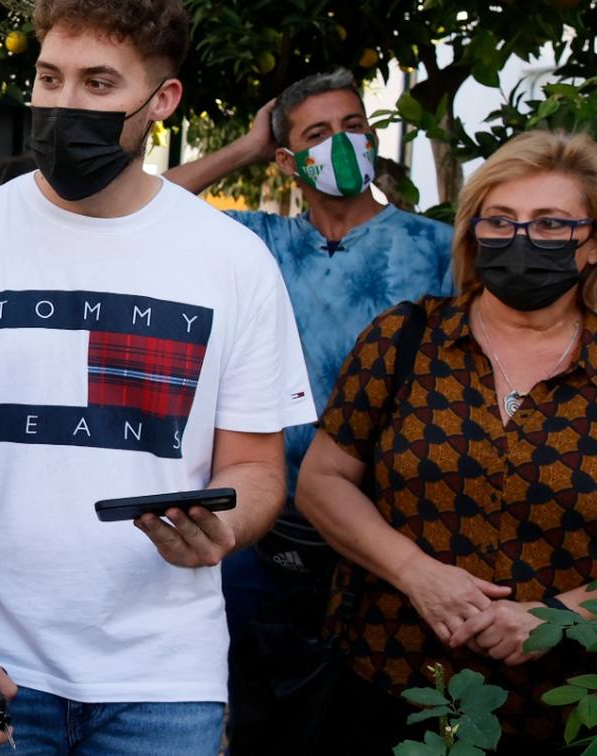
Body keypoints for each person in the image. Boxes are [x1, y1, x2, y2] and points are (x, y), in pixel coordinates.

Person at [0, 0, 314, 755]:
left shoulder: (234, 263)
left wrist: (223, 526)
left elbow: (258, 470)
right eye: (49, 77)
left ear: (161, 101)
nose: (65, 104)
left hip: (164, 687)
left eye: (99, 84)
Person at [295, 130, 597, 752]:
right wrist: (417, 573)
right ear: (473, 233)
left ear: (596, 241)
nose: (521, 240)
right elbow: (322, 481)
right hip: (387, 685)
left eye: (550, 224)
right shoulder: (402, 341)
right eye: (500, 220)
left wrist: (559, 618)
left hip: (560, 711)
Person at [164, 68, 454, 751]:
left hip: (388, 542)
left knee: (372, 727)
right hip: (266, 540)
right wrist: (244, 147)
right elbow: (145, 202)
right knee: (261, 726)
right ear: (289, 160)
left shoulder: (436, 248)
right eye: (318, 134)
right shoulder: (258, 242)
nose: (342, 143)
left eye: (353, 126)